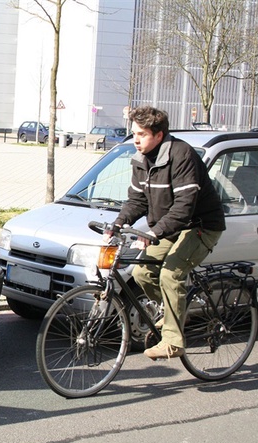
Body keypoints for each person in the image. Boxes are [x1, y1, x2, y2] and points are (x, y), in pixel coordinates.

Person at [103, 105, 225, 361]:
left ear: (159, 135)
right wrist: (117, 223)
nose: (135, 139)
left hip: (201, 225)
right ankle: (174, 314)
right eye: (134, 133)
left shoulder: (182, 155)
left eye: (142, 134)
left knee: (171, 273)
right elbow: (137, 201)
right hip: (170, 227)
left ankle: (172, 341)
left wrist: (152, 233)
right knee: (142, 272)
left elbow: (184, 207)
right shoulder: (140, 159)